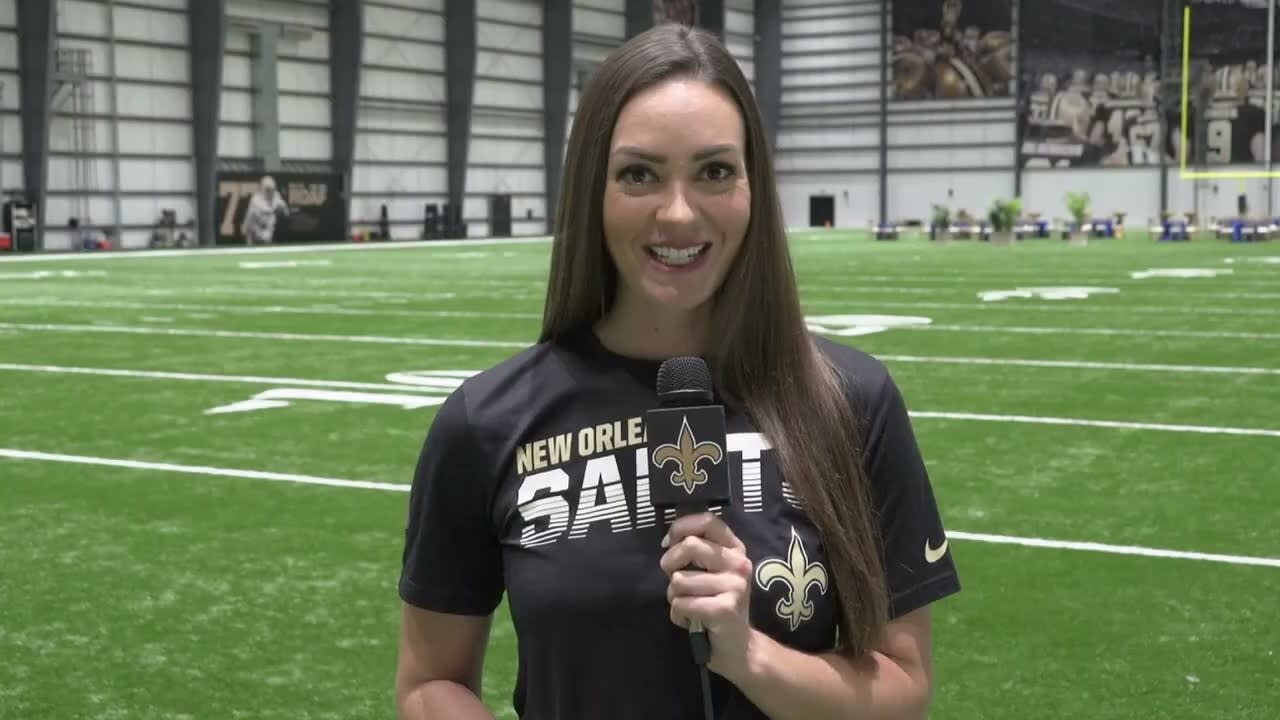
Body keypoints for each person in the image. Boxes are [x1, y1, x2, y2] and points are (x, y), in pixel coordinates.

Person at [395, 23, 960, 720]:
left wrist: (750, 655)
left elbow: (904, 693)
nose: (679, 212)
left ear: (755, 187)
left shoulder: (851, 403)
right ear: (592, 192)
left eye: (715, 171)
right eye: (639, 174)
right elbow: (429, 683)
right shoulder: (486, 423)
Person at [240, 175, 289, 244]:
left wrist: (282, 209)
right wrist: (245, 229)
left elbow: (286, 212)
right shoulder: (256, 199)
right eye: (268, 189)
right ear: (262, 188)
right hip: (255, 231)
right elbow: (251, 216)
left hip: (268, 231)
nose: (270, 191)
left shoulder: (276, 195)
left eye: (272, 189)